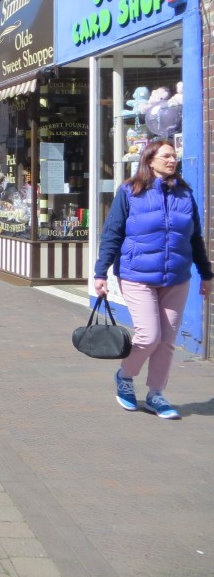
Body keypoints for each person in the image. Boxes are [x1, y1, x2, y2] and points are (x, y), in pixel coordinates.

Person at [94, 140, 214, 419]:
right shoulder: (130, 192)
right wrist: (101, 273)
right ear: (150, 160)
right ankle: (125, 376)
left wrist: (206, 274)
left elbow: (194, 238)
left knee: (167, 340)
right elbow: (112, 233)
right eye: (167, 156)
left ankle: (156, 394)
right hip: (138, 275)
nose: (173, 160)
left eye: (175, 156)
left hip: (176, 277)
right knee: (149, 336)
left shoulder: (184, 194)